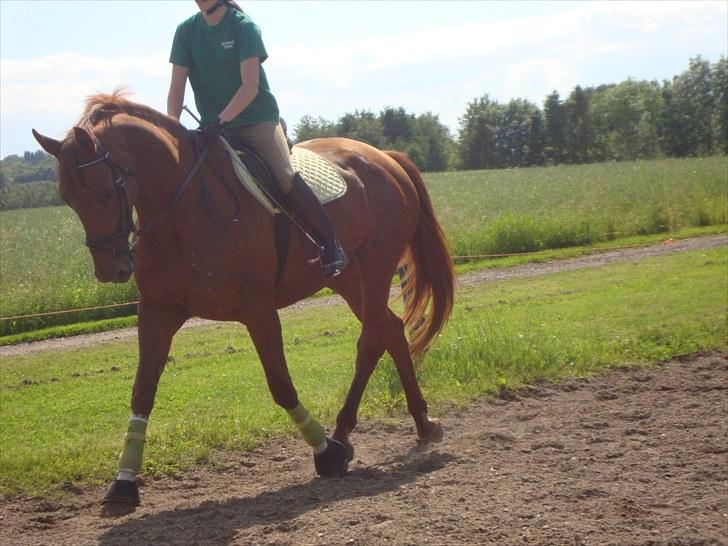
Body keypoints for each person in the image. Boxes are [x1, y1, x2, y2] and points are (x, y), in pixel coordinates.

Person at [167, 0, 347, 277]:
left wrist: (220, 120)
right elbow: (176, 89)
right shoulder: (185, 32)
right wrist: (172, 129)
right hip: (213, 128)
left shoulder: (244, 27)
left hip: (256, 120)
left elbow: (250, 87)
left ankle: (330, 245)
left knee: (284, 176)